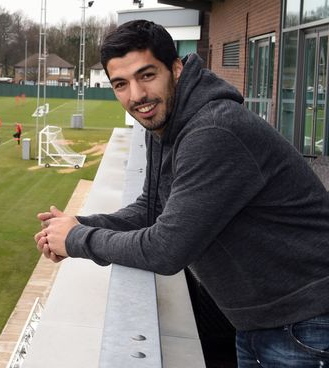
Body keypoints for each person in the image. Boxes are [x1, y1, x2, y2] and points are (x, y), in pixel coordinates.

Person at [34, 20, 329, 367]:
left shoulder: (214, 130)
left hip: (304, 322)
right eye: (121, 84)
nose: (136, 96)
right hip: (262, 321)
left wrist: (79, 239)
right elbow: (153, 208)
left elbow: (166, 250)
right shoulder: (163, 121)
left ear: (176, 67)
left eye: (146, 75)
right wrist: (77, 225)